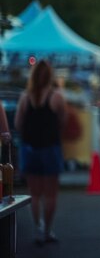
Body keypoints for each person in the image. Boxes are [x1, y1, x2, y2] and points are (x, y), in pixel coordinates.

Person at [14, 60, 66, 245]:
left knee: (34, 193)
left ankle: (37, 228)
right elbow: (63, 120)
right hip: (51, 148)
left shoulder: (25, 96)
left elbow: (18, 124)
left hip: (29, 148)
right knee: (51, 194)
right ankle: (48, 230)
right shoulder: (56, 96)